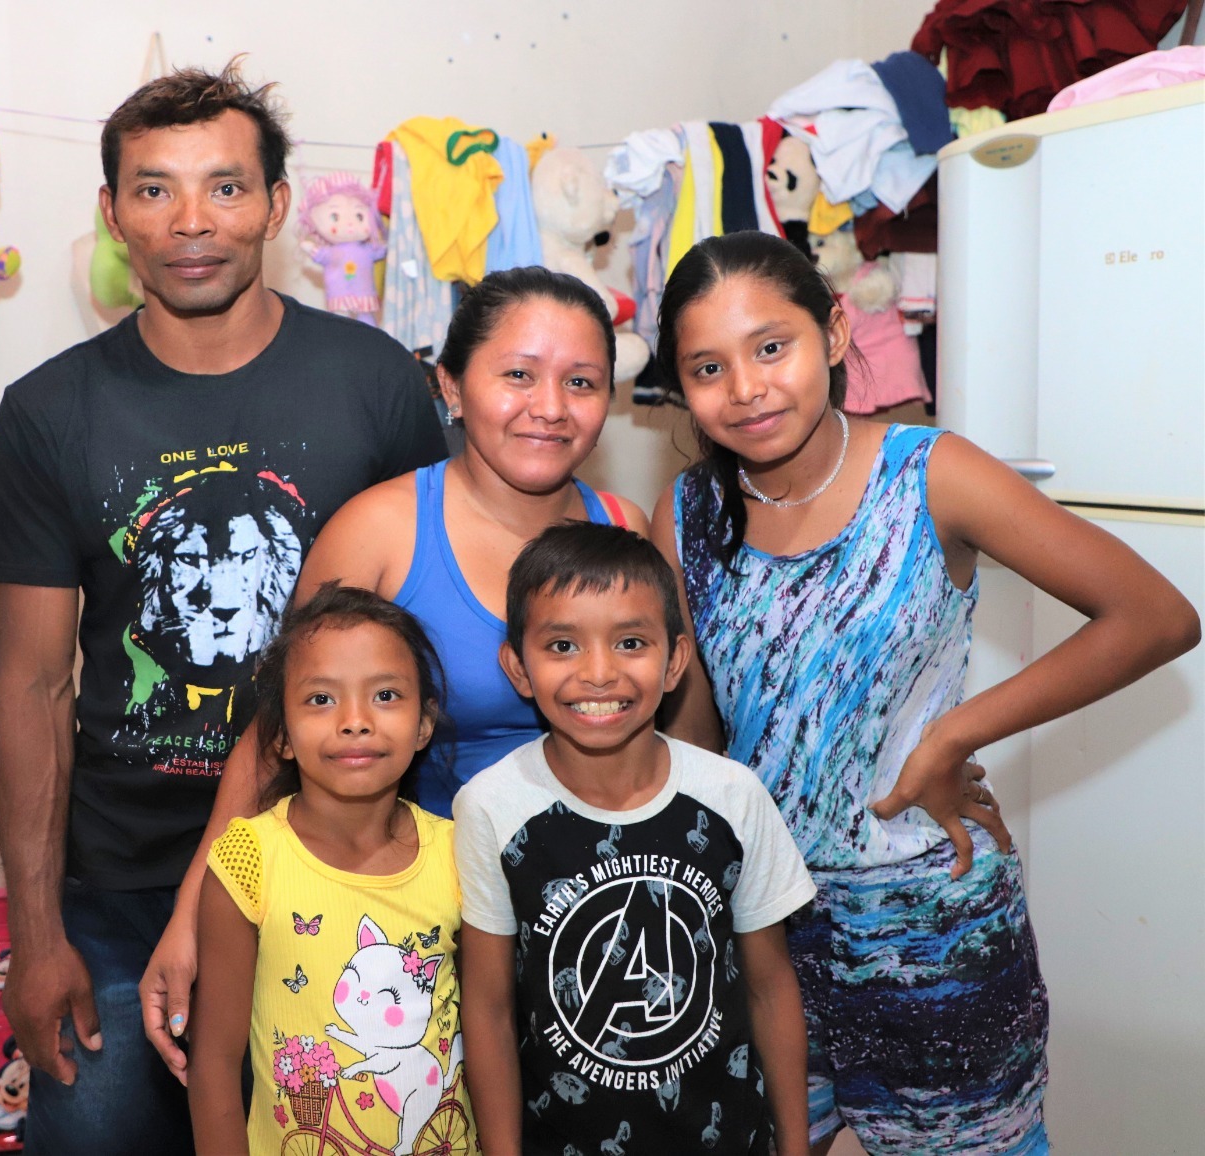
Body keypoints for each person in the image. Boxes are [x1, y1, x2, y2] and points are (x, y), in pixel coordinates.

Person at [0, 61, 446, 1156]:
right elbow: (32, 686)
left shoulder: (377, 384)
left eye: (225, 187)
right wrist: (35, 935)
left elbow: (424, 644)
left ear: (276, 206)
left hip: (337, 858)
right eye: (155, 189)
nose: (191, 221)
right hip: (120, 885)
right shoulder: (47, 412)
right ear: (113, 213)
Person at [649, 231, 1202, 1155]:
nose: (745, 388)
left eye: (771, 347)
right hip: (763, 934)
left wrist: (952, 735)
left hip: (934, 937)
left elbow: (1155, 616)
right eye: (708, 368)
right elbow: (699, 739)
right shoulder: (687, 514)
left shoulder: (929, 474)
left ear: (833, 332)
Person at [141, 266, 647, 1074]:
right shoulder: (380, 530)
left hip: (600, 918)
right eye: (518, 374)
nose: (550, 406)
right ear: (451, 386)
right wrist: (193, 913)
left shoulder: (625, 527)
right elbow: (274, 732)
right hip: (423, 929)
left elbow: (670, 740)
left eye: (580, 382)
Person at [454, 522, 817, 1156]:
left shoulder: (732, 795)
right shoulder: (491, 805)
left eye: (629, 643)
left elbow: (769, 987)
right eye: (562, 645)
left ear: (674, 661)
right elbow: (487, 1010)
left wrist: (794, 1146)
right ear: (517, 667)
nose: (599, 673)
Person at [188, 583, 472, 1156]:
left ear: (423, 724)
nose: (354, 721)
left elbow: (491, 1028)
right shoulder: (249, 860)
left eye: (386, 695)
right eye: (321, 699)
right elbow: (214, 1062)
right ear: (281, 735)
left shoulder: (459, 853)